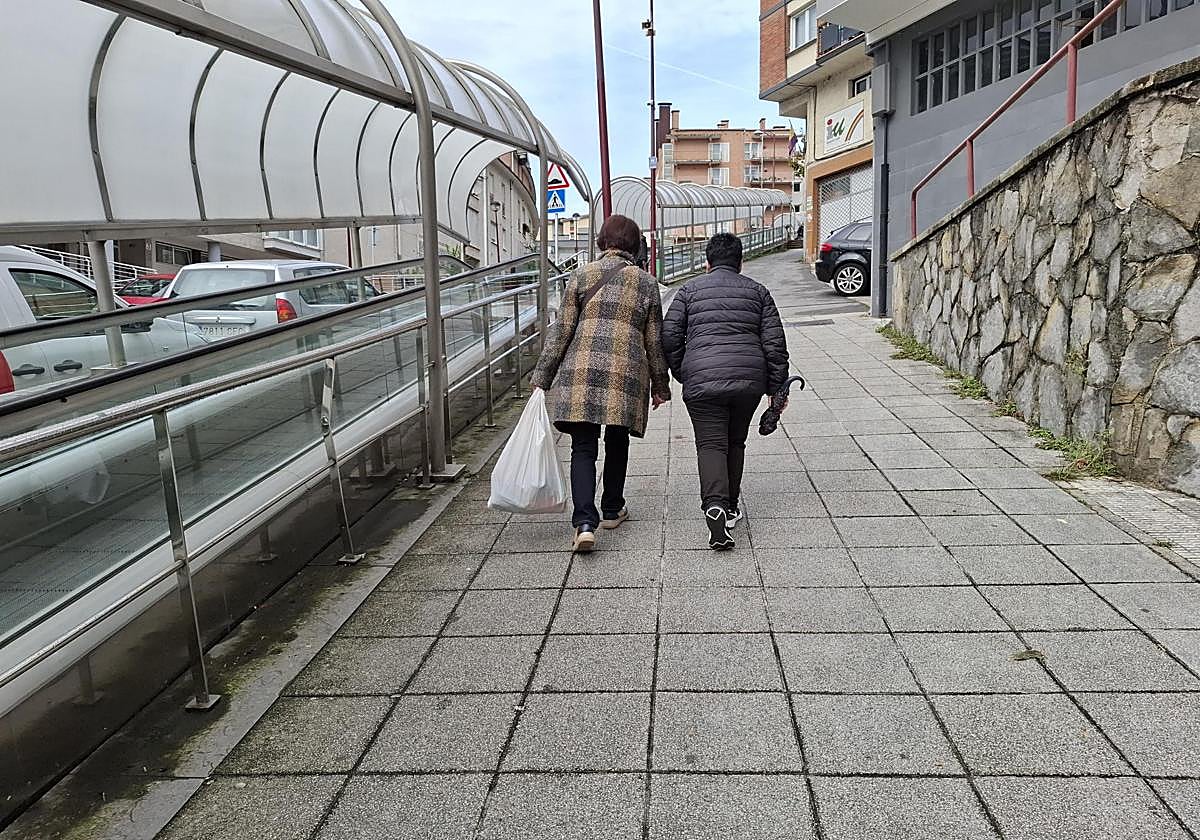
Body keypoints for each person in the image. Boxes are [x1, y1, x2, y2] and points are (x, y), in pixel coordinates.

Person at [530, 214, 672, 553]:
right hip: (625, 373)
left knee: (582, 447)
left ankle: (584, 523)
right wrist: (661, 385)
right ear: (636, 245)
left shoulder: (581, 275)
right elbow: (654, 340)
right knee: (618, 440)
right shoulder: (646, 282)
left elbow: (561, 331)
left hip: (581, 371)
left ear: (601, 241)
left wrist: (542, 379)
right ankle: (612, 508)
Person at [660, 232, 789, 550]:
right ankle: (730, 507)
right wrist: (777, 389)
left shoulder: (687, 291)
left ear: (707, 263)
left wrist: (683, 371)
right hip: (748, 383)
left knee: (710, 444)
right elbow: (774, 345)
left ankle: (715, 504)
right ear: (741, 263)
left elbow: (669, 336)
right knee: (735, 441)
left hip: (702, 381)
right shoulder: (759, 292)